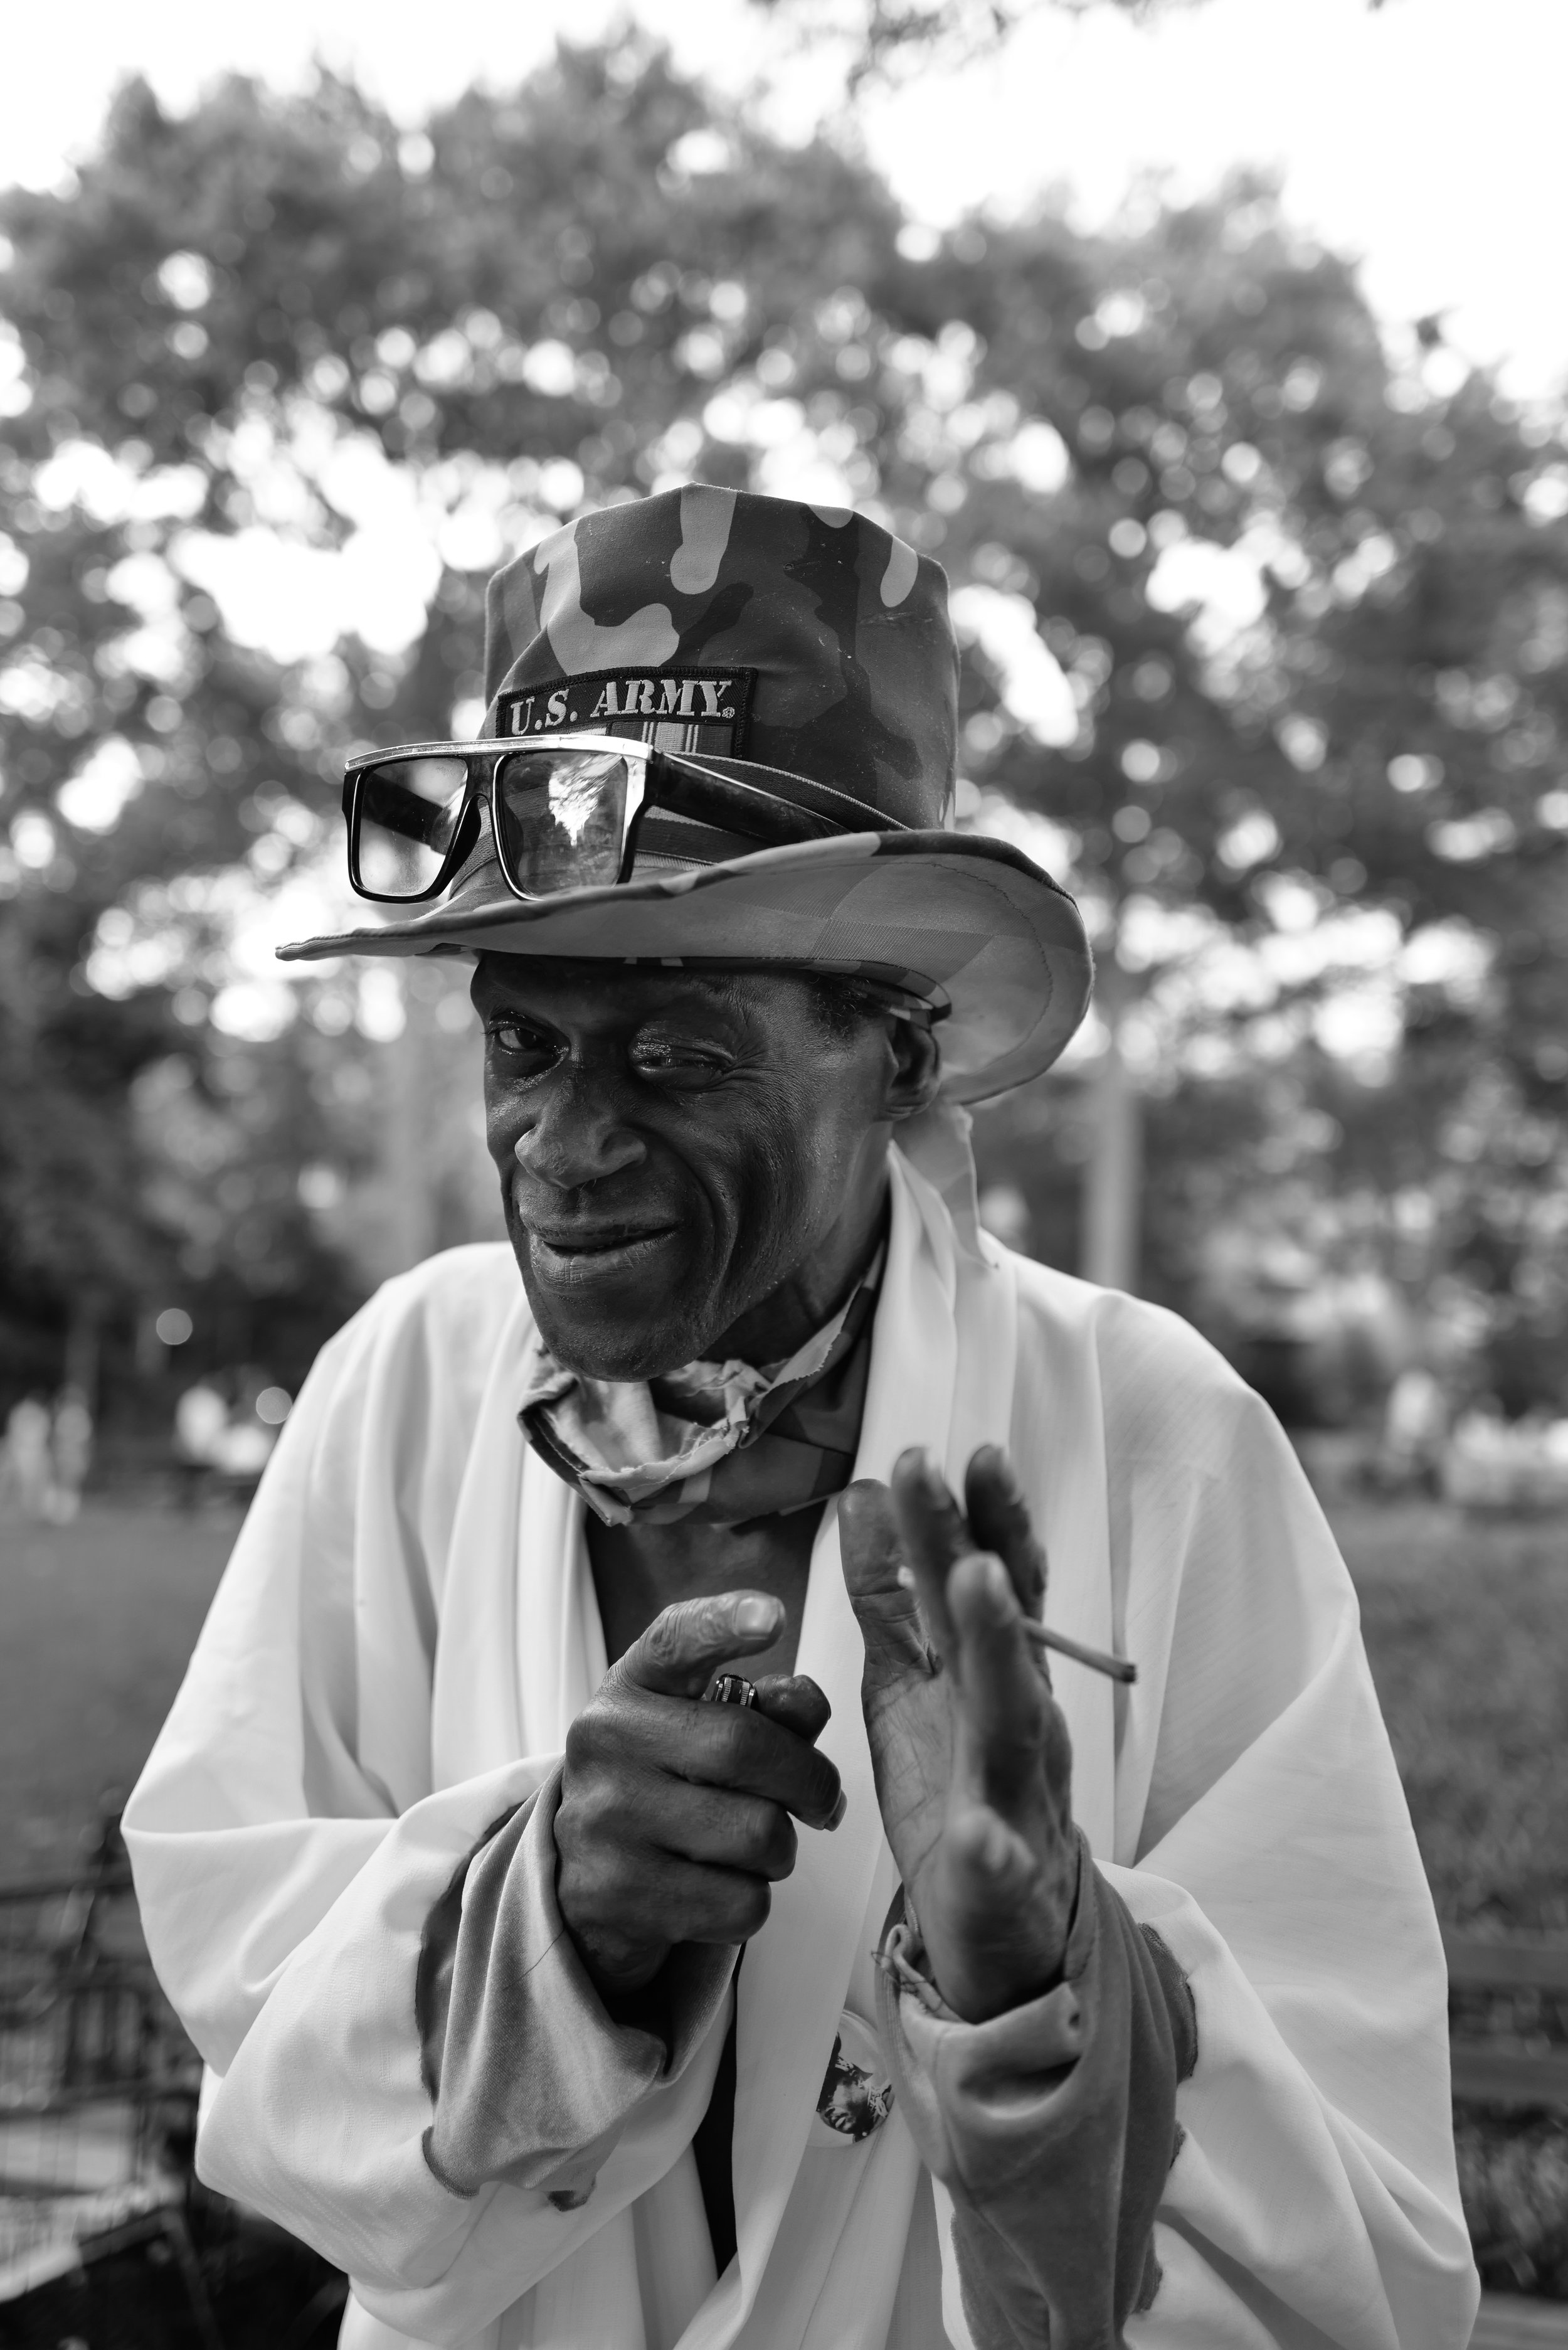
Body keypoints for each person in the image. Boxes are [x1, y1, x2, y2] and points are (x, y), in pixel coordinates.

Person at [124, 488, 1478, 2349]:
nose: (565, 1146)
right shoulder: (406, 1383)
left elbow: (1359, 2257)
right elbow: (252, 2016)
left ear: (893, 1052)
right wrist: (550, 1933)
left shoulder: (1157, 1433)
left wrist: (1044, 1988)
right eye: (523, 1045)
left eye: (675, 1055)